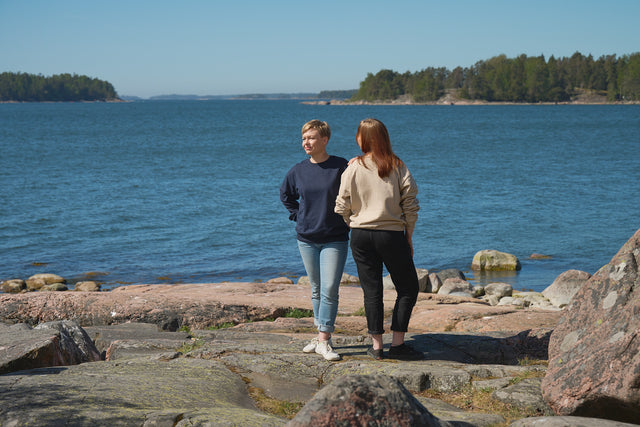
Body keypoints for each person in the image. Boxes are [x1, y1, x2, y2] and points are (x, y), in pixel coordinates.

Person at [335, 118, 423, 360]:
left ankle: (376, 347)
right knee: (408, 288)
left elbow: (341, 205)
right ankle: (398, 344)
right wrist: (409, 236)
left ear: (361, 138)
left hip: (360, 235)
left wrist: (354, 223)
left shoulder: (353, 167)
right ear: (384, 137)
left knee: (371, 290)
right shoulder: (397, 166)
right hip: (391, 235)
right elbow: (411, 205)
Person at [280, 119, 350, 361]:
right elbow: (286, 195)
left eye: (310, 138)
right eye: (303, 139)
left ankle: (324, 340)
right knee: (317, 289)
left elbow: (356, 189)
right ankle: (320, 334)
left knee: (329, 288)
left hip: (335, 238)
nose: (306, 143)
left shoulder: (341, 166)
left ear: (324, 140)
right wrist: (297, 216)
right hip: (306, 239)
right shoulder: (298, 170)